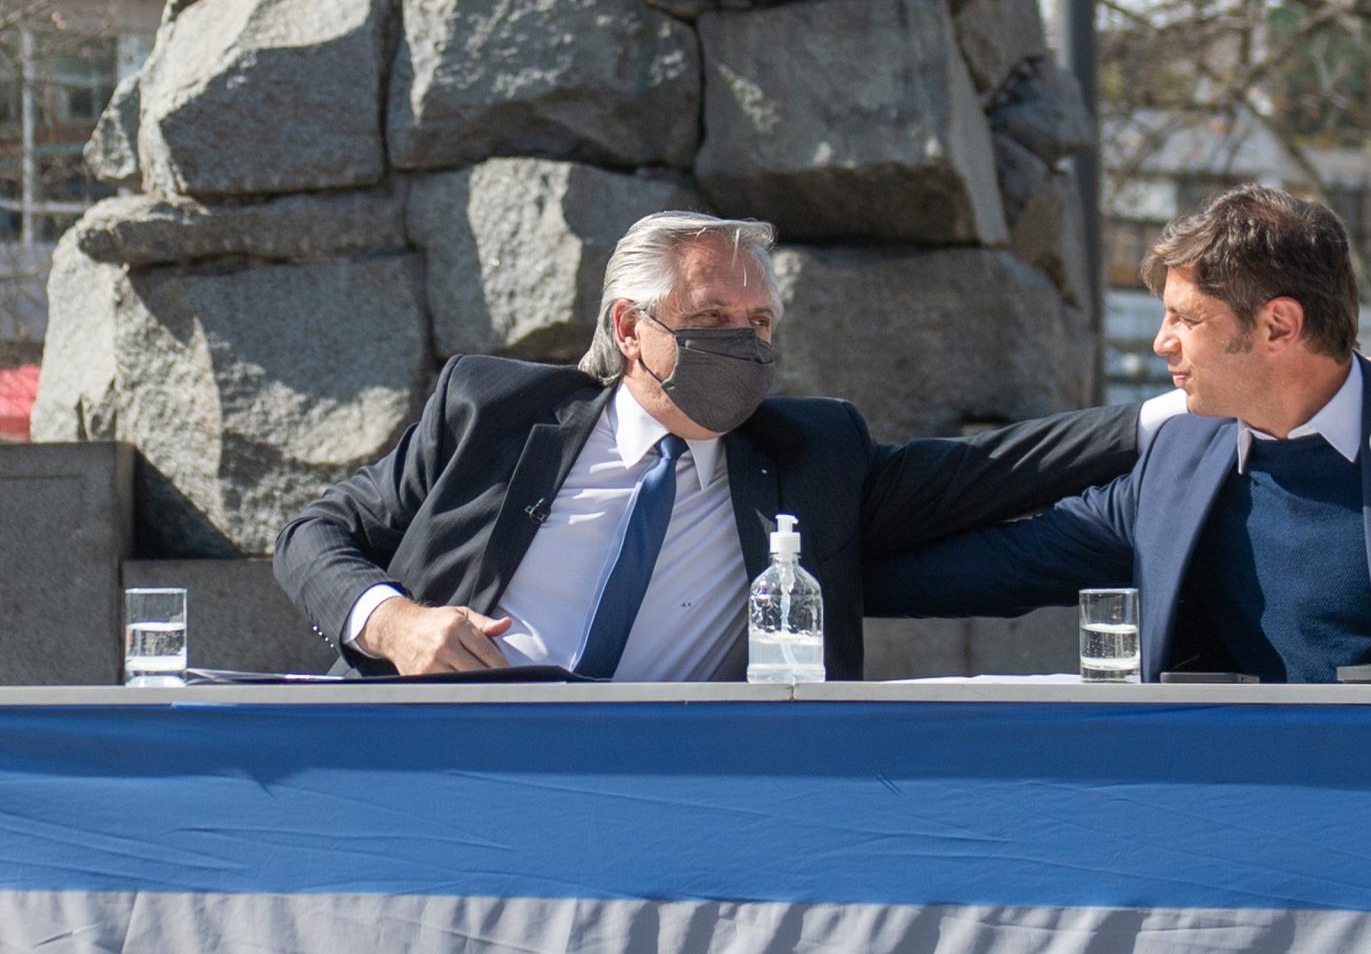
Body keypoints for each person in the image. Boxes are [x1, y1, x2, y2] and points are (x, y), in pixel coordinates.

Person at [274, 211, 1147, 679]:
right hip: (449, 758)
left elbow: (986, 473)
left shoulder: (813, 452)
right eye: (711, 319)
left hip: (678, 785)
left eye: (759, 320)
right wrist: (392, 622)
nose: (745, 340)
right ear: (630, 325)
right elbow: (315, 532)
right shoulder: (493, 410)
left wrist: (1161, 418)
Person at [869, 185, 1371, 683]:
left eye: (1185, 319)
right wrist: (772, 565)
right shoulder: (1179, 461)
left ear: (1279, 326)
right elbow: (996, 568)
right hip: (1234, 839)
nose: (1161, 343)